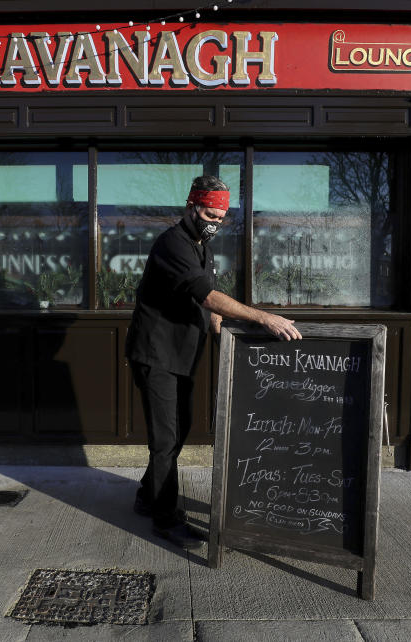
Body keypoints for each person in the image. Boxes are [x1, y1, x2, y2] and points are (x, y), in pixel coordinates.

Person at [125, 175, 302, 549]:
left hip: (182, 356)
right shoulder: (172, 244)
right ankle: (164, 518)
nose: (215, 222)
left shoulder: (199, 247)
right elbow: (206, 296)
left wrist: (225, 332)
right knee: (166, 439)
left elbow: (206, 305)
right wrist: (263, 318)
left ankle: (146, 494)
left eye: (221, 217)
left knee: (178, 432)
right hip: (158, 356)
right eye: (210, 214)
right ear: (191, 206)